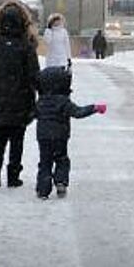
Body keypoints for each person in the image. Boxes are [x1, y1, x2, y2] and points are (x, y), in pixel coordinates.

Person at [0, 0, 40, 188]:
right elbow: (33, 73)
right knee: (17, 137)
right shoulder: (27, 46)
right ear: (23, 22)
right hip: (22, 97)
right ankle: (13, 175)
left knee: (0, 133)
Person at [35, 66, 107, 199]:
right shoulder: (63, 102)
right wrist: (95, 108)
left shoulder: (40, 102)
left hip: (43, 136)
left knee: (45, 162)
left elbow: (31, 114)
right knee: (61, 159)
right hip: (60, 136)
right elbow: (78, 112)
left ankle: (43, 190)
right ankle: (61, 182)